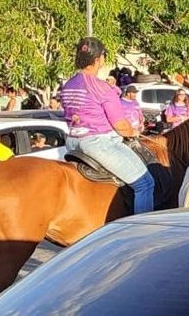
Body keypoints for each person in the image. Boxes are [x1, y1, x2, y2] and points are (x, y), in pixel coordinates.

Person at [59, 37, 154, 214]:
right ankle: (143, 232)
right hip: (99, 143)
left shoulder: (69, 84)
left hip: (72, 142)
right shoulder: (101, 87)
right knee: (145, 183)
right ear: (98, 60)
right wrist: (133, 131)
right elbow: (120, 126)